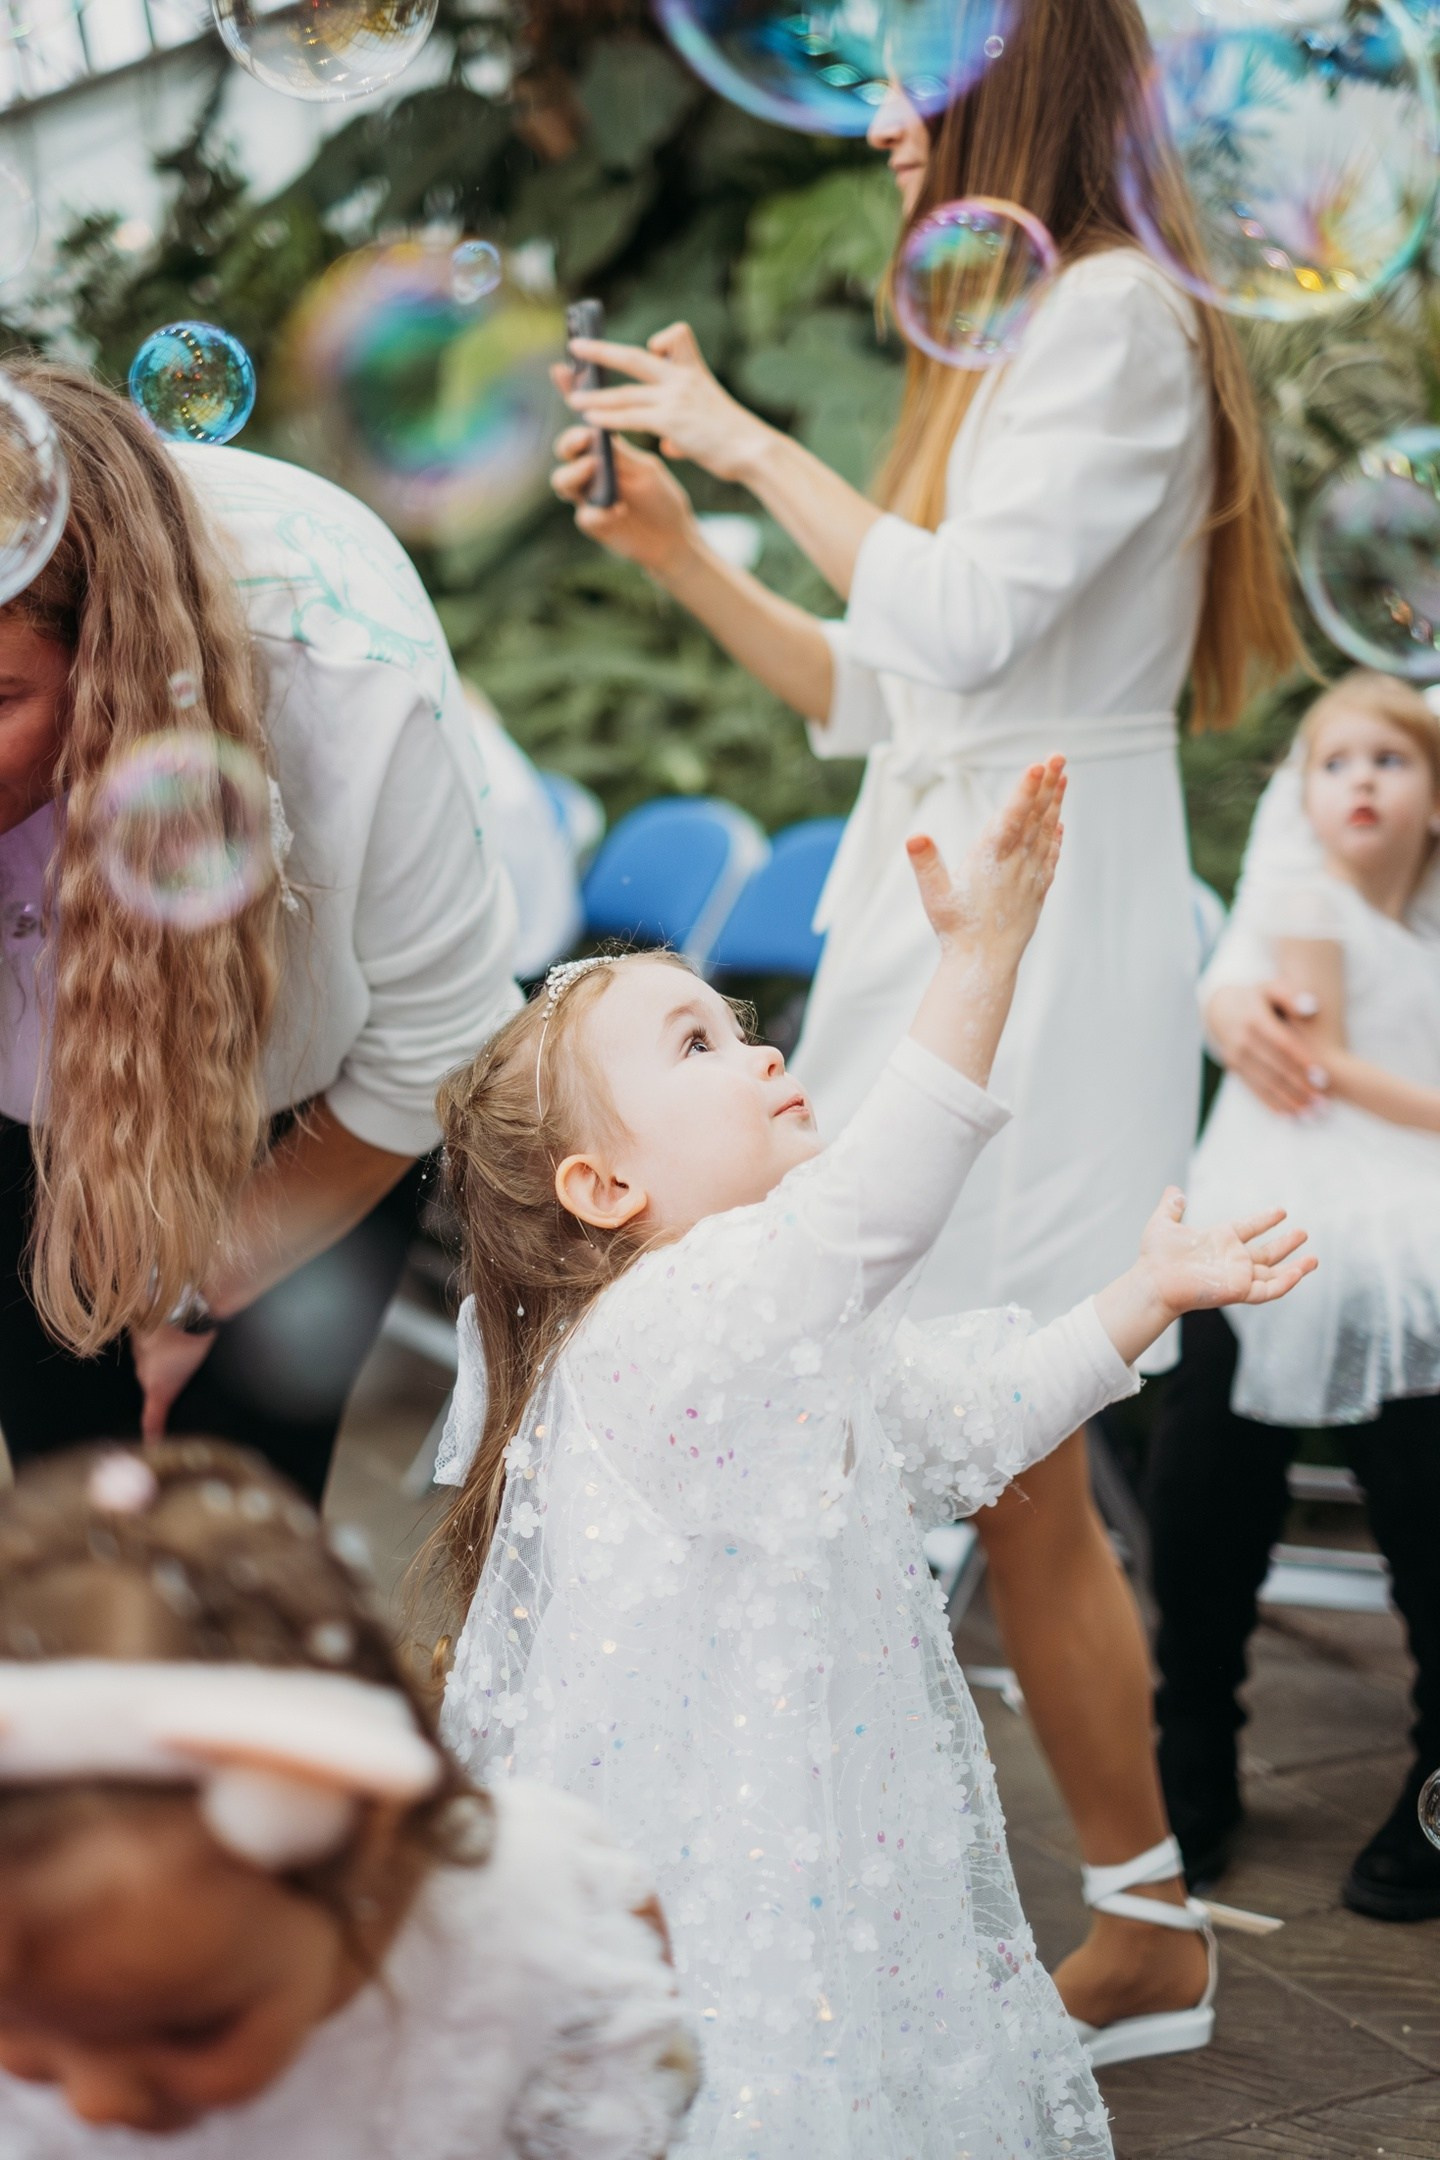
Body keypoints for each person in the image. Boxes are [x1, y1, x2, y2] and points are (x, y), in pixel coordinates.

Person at [549, 0, 1303, 2058]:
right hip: (945, 880)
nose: (876, 112)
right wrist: (689, 545)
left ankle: (1137, 1925)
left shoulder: (1127, 318)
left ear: (1015, 76)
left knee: (1013, 1444)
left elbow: (959, 627)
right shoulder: (1013, 336)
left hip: (1049, 917)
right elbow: (876, 690)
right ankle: (1070, 1915)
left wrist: (748, 440)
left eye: (907, 64)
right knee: (936, 1427)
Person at [433, 762, 1314, 2157]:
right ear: (604, 1187)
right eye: (697, 1051)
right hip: (715, 1873)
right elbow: (875, 1209)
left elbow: (974, 1420)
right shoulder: (663, 1329)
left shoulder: (778, 1329)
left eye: (737, 1024)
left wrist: (1142, 1296)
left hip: (831, 1831)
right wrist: (981, 958)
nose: (761, 1050)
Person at [0, 360, 520, 1501]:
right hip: (26, 1123)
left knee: (238, 1508)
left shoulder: (340, 672)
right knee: (68, 1499)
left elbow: (438, 1046)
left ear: (113, 670)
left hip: (310, 1115)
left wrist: (205, 1285)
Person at [0, 1437, 698, 2156]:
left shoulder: (541, 1936)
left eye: (190, 2028)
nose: (96, 2102)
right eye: (13, 2021)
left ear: (364, 1835)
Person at [1148, 673, 1440, 1921]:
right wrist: (1227, 1006)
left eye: (1394, 759)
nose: (1361, 781)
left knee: (1428, 1475)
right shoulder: (1296, 894)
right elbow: (1306, 1059)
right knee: (1206, 1462)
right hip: (1291, 1181)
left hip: (1415, 1204)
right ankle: (1191, 1745)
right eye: (1333, 761)